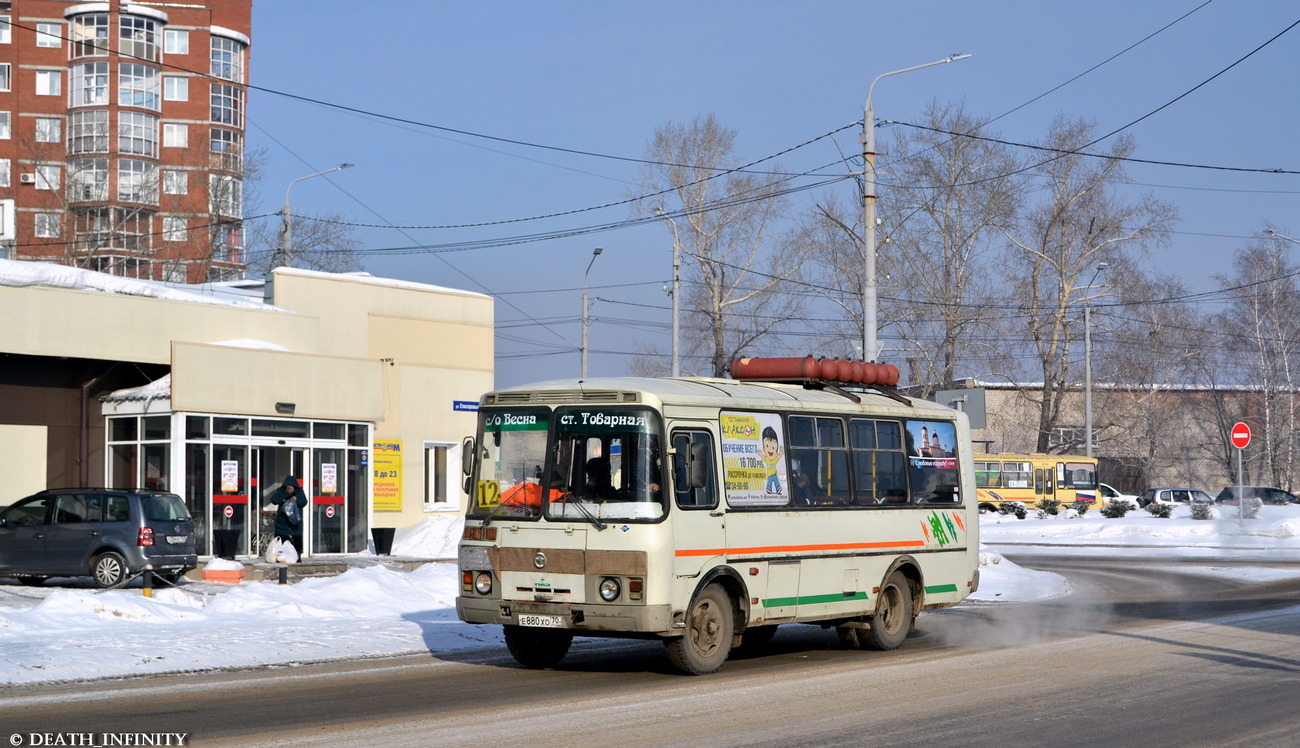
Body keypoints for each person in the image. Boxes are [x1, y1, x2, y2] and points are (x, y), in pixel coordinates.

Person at [270, 475, 308, 559]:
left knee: (297, 538)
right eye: (288, 489)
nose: (290, 491)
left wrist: (296, 499)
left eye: (291, 489)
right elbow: (274, 500)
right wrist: (285, 498)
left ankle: (298, 555)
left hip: (295, 521)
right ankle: (282, 556)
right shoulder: (281, 492)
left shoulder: (299, 492)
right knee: (283, 538)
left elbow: (304, 502)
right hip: (283, 521)